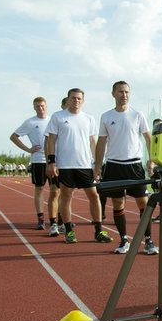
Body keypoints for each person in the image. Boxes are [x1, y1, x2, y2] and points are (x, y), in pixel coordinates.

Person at [94, 81, 157, 255]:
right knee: (117, 204)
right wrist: (98, 166)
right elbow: (101, 142)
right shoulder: (106, 116)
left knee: (143, 204)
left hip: (134, 166)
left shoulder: (138, 115)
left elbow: (149, 139)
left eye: (127, 92)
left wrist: (151, 160)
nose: (124, 95)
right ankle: (124, 240)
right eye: (121, 91)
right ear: (113, 93)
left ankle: (148, 241)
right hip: (114, 166)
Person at [45, 88, 110, 245]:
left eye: (79, 98)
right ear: (68, 99)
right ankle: (69, 231)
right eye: (73, 98)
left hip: (85, 165)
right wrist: (51, 162)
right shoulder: (57, 117)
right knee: (66, 196)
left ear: (83, 101)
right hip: (65, 165)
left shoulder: (89, 118)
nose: (76, 101)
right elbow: (51, 140)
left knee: (94, 195)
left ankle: (99, 230)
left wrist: (97, 164)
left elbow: (93, 142)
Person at [11, 96, 55, 230]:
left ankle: (56, 220)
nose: (40, 108)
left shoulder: (53, 120)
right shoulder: (30, 122)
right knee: (39, 189)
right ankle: (41, 218)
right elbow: (13, 137)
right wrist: (28, 149)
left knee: (56, 191)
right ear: (34, 107)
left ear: (46, 106)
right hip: (38, 160)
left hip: (53, 160)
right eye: (37, 106)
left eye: (42, 105)